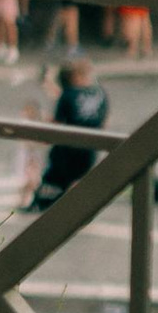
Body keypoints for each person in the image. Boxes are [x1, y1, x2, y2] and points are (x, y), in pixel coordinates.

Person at [30, 59, 110, 210]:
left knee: (53, 185)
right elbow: (103, 121)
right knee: (79, 179)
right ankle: (79, 209)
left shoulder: (67, 95)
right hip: (92, 146)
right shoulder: (100, 93)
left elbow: (57, 125)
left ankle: (52, 205)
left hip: (69, 148)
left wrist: (43, 122)